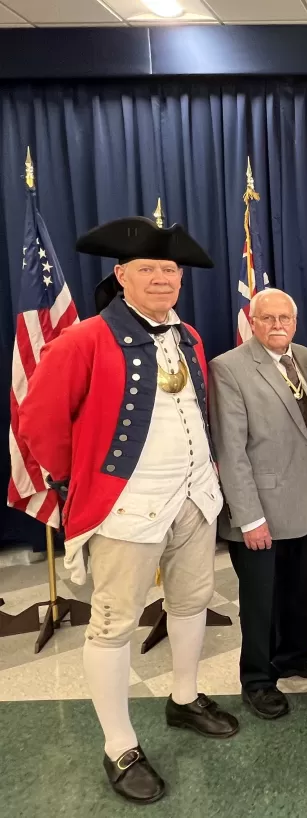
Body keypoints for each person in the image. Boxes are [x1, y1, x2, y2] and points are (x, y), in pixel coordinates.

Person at [18, 217, 238, 805]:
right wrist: (79, 479)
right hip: (126, 507)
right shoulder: (84, 339)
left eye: (170, 270)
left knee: (191, 602)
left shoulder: (189, 335)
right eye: (149, 270)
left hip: (196, 495)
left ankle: (185, 698)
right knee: (114, 624)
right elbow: (36, 423)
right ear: (121, 276)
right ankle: (119, 745)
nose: (164, 278)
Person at [210, 287, 307, 721]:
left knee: (299, 587)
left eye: (285, 318)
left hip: (305, 500)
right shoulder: (228, 369)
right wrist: (248, 518)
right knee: (261, 599)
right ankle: (258, 678)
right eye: (268, 318)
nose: (278, 325)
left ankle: (293, 654)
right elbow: (231, 450)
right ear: (252, 319)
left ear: (295, 322)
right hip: (259, 510)